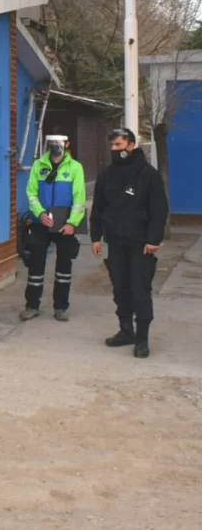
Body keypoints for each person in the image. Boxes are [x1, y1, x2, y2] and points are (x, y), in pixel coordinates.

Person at [90, 128, 168, 358]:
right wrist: (96, 236)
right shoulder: (106, 175)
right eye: (112, 146)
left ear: (131, 146)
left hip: (141, 244)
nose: (114, 150)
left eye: (119, 145)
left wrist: (154, 240)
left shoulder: (148, 175)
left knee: (139, 291)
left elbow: (159, 210)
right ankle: (126, 331)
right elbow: (98, 208)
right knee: (121, 289)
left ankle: (142, 339)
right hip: (116, 243)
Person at [20, 129, 86, 322]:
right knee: (35, 264)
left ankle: (61, 307)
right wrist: (40, 212)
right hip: (42, 221)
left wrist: (73, 223)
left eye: (59, 143)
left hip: (65, 222)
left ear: (67, 145)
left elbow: (79, 198)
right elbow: (31, 192)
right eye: (52, 143)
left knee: (64, 266)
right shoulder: (38, 166)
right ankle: (32, 305)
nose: (55, 147)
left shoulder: (75, 167)